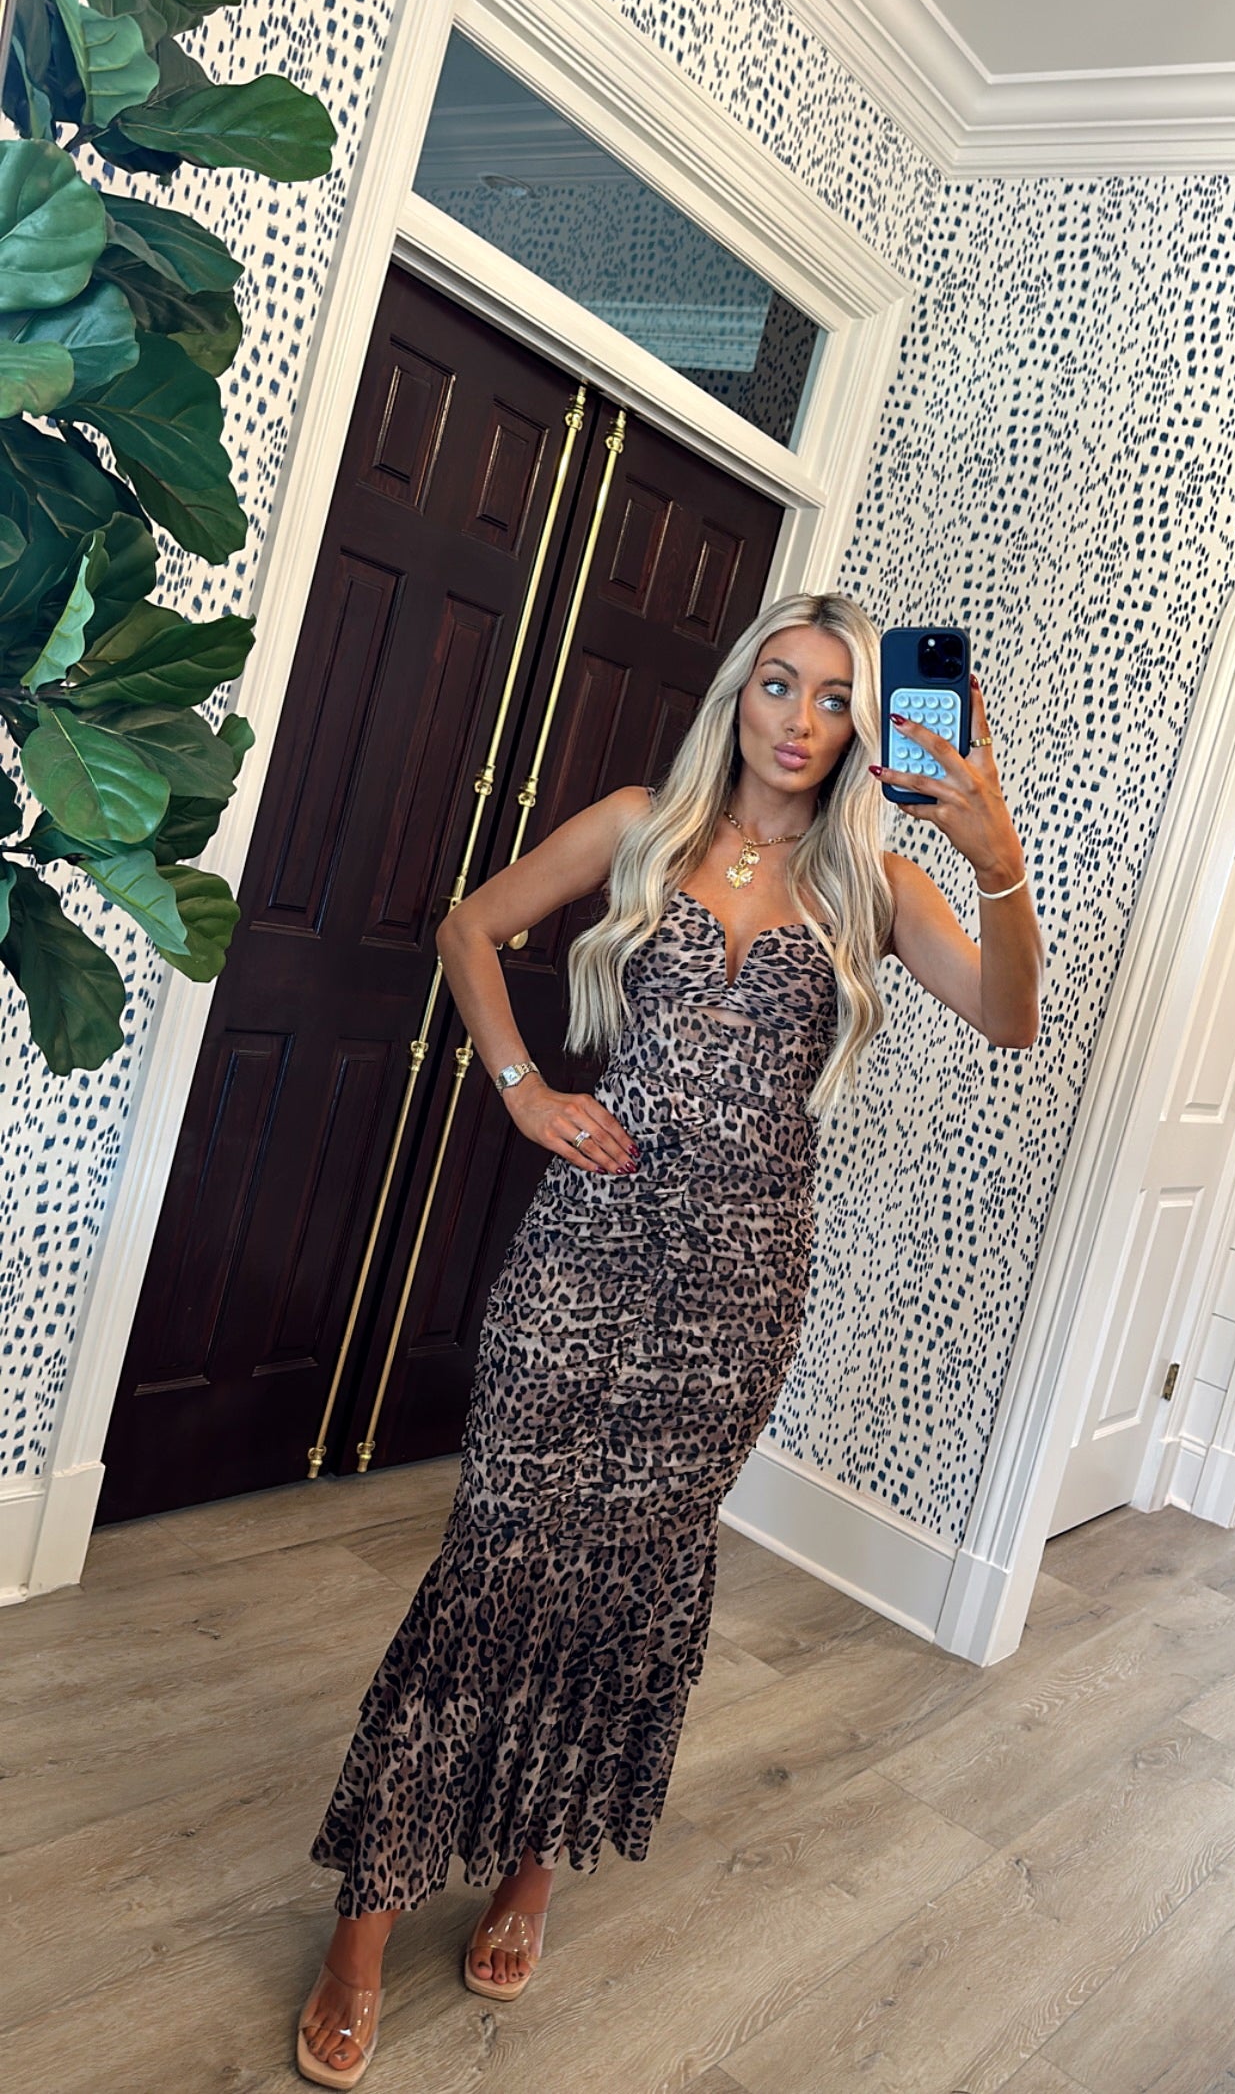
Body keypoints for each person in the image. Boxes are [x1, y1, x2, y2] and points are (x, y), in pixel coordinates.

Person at [296, 589, 1042, 2086]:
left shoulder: (879, 884)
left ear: (863, 729)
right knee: (496, 1561)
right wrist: (521, 1089)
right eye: (778, 683)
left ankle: (531, 1872)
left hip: (737, 1293)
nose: (799, 718)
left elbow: (1009, 1019)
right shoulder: (642, 825)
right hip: (581, 1257)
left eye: (833, 697)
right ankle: (362, 1926)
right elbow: (469, 926)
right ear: (737, 695)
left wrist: (1000, 863)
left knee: (633, 1581)